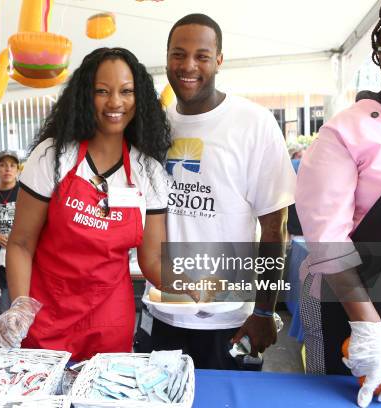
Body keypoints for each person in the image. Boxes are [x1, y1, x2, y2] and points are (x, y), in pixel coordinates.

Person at [137, 14, 296, 369]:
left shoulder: (253, 122)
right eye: (178, 54)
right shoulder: (156, 125)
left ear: (219, 60)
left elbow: (275, 228)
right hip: (164, 310)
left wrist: (264, 310)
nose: (188, 65)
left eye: (202, 56)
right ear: (166, 58)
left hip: (228, 317)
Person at [0, 47, 171, 361]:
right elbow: (20, 243)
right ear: (84, 96)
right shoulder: (53, 156)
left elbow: (153, 260)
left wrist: (210, 279)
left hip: (111, 320)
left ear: (139, 98)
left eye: (126, 92)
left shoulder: (149, 173)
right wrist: (19, 305)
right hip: (46, 314)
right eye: (102, 91)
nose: (115, 102)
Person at [296, 1, 381, 406]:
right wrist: (367, 328)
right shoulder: (350, 130)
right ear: (380, 56)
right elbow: (327, 237)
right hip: (345, 306)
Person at [0, 150, 21, 314]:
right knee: (3, 309)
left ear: (18, 169)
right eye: (2, 165)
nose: (7, 169)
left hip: (20, 255)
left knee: (21, 303)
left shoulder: (25, 193)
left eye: (12, 165)